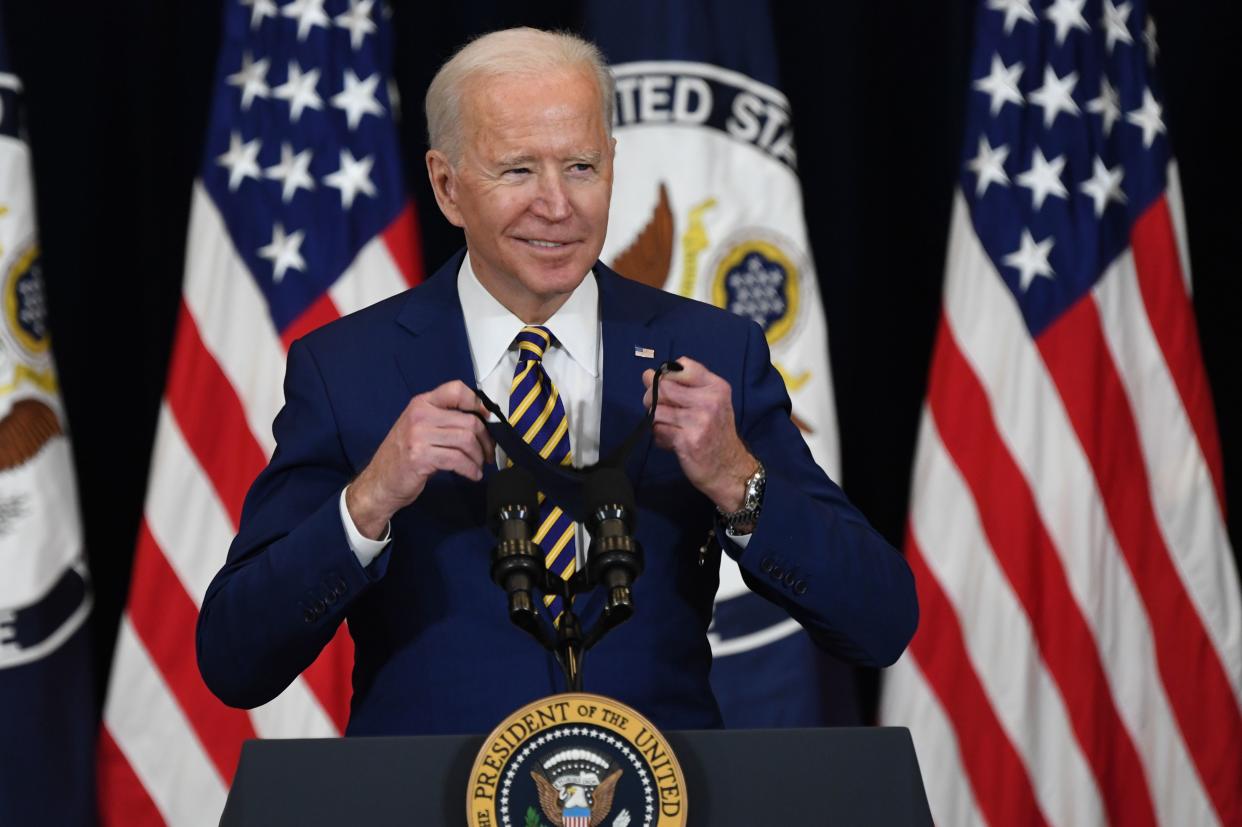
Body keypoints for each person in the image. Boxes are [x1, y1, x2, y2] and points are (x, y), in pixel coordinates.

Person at [196, 27, 917, 736]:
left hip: (656, 800)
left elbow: (879, 620)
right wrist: (367, 502)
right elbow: (234, 658)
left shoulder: (711, 351)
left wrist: (739, 480)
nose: (557, 204)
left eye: (580, 166)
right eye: (517, 170)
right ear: (448, 187)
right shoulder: (347, 368)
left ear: (612, 163)